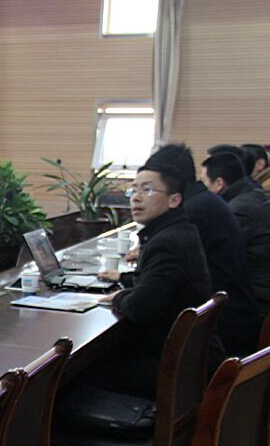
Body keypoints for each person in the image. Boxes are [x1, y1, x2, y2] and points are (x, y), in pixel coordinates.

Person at [94, 163, 215, 395]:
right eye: (133, 190)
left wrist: (119, 296)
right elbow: (157, 283)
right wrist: (129, 284)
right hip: (186, 359)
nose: (136, 198)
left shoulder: (168, 242)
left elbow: (141, 308)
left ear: (174, 200)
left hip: (167, 368)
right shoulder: (178, 231)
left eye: (147, 190)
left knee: (73, 374)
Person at [138, 144, 259, 356]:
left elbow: (146, 302)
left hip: (224, 328)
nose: (138, 195)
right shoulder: (204, 199)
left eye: (149, 186)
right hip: (232, 316)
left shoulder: (190, 211)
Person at [201, 148, 270, 316]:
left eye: (204, 183)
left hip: (254, 301)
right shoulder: (252, 195)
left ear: (219, 183)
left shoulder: (236, 209)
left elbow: (213, 254)